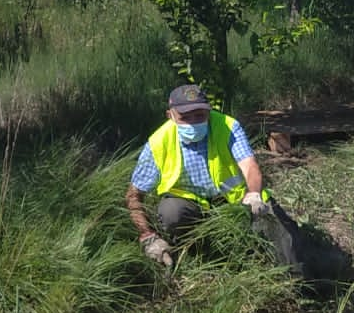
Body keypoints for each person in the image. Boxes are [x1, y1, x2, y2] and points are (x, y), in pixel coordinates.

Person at [126, 84, 300, 270]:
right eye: (185, 117)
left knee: (288, 244)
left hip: (235, 200)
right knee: (171, 212)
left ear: (209, 112)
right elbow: (134, 194)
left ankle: (297, 281)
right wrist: (147, 236)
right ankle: (201, 253)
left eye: (200, 115)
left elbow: (250, 166)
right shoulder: (158, 142)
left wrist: (254, 194)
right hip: (190, 206)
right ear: (171, 115)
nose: (193, 123)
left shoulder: (228, 126)